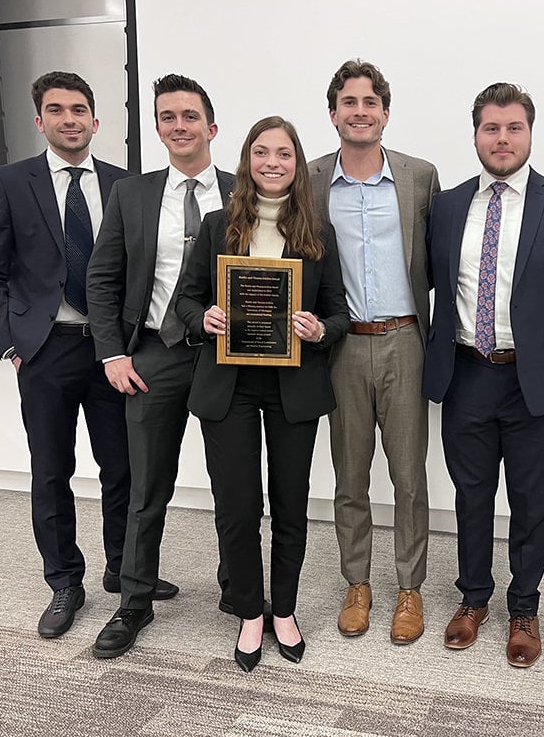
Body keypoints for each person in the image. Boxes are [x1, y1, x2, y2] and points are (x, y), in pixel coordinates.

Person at [423, 83, 544, 667]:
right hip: (465, 373)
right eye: (491, 128)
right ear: (476, 135)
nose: (502, 139)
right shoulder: (449, 204)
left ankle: (525, 607)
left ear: (530, 133)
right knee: (470, 496)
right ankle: (473, 598)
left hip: (536, 379)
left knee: (531, 502)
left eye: (513, 128)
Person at [176, 116, 350, 671]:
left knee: (291, 504)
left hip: (292, 387)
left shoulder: (318, 232)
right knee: (237, 506)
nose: (272, 163)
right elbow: (184, 301)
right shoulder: (215, 225)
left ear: (297, 165)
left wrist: (320, 330)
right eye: (261, 153)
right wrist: (204, 317)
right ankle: (251, 611)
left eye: (284, 154)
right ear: (246, 160)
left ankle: (286, 611)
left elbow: (340, 313)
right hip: (229, 387)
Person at [0, 71, 133, 638]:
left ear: (96, 119)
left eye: (80, 109)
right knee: (51, 472)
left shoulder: (122, 185)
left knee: (123, 468)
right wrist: (12, 344)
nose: (71, 119)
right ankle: (65, 580)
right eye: (58, 110)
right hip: (45, 350)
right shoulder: (11, 182)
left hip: (111, 352)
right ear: (40, 121)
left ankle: (124, 570)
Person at [85, 74, 233, 659]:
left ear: (211, 128)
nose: (180, 127)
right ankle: (134, 601)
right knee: (147, 487)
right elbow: (102, 276)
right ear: (157, 127)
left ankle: (238, 592)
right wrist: (112, 353)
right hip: (153, 354)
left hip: (225, 357)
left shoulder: (241, 191)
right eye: (168, 117)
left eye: (190, 117)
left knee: (234, 484)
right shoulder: (133, 195)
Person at [308, 59, 439, 644]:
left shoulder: (420, 176)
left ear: (386, 112)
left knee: (410, 476)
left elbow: (439, 261)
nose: (360, 112)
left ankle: (409, 588)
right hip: (341, 347)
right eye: (349, 102)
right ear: (333, 112)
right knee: (349, 474)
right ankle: (356, 583)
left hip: (406, 341)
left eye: (370, 102)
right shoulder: (308, 179)